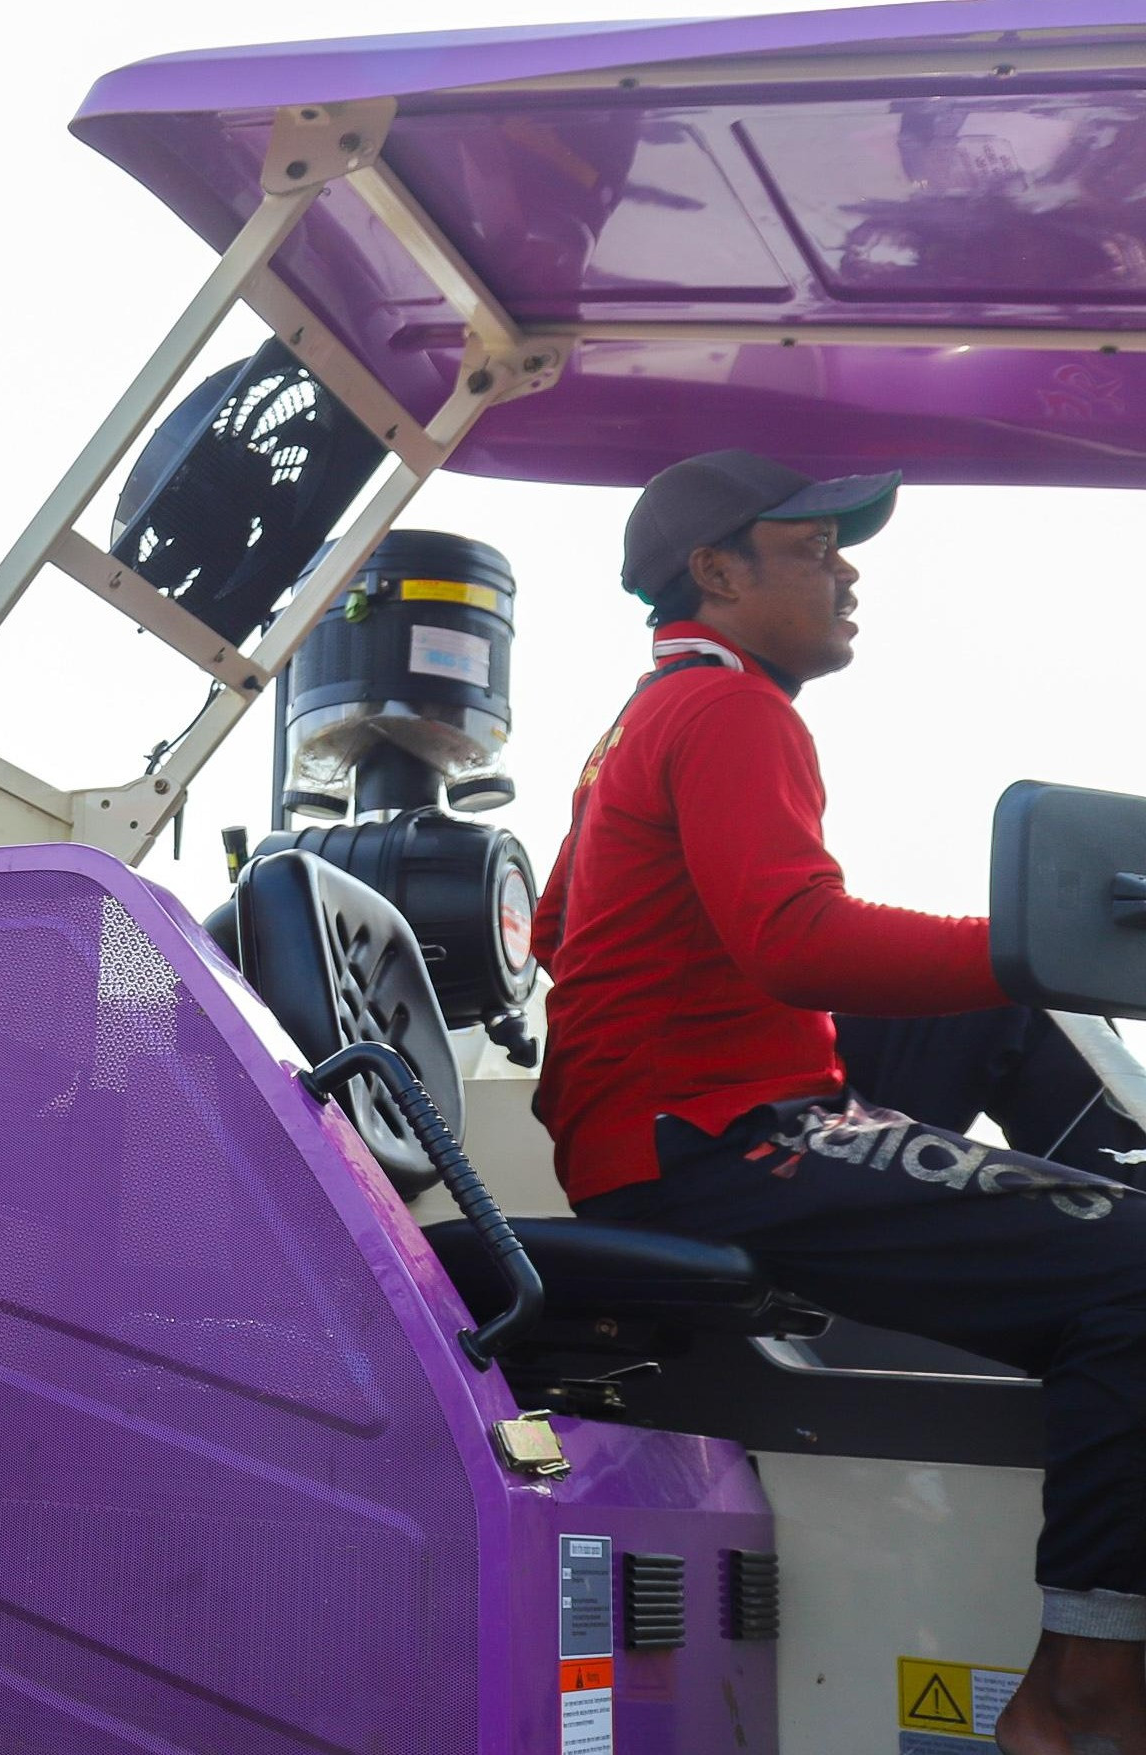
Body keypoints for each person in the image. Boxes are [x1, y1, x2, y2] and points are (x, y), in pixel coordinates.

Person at [532, 449, 1146, 1755]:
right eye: (813, 546)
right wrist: (1031, 936)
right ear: (718, 571)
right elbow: (793, 936)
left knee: (1005, 1009)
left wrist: (1001, 969)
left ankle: (1103, 1248)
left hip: (665, 1120)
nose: (847, 567)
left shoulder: (643, 719)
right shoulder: (734, 713)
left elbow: (554, 933)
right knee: (1139, 1269)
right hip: (714, 1140)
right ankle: (1083, 1688)